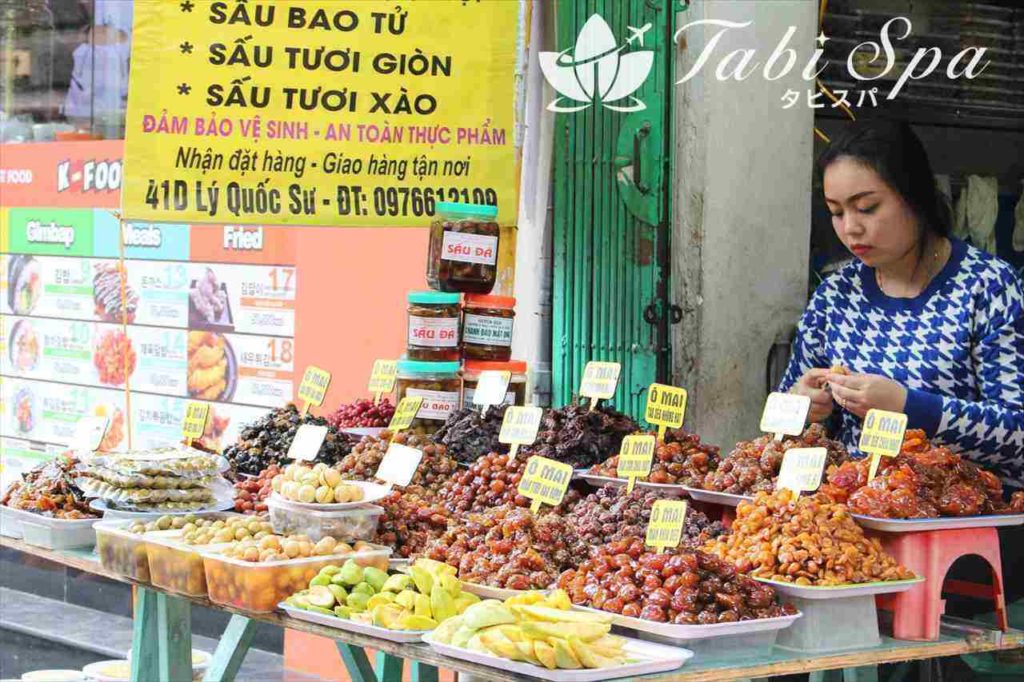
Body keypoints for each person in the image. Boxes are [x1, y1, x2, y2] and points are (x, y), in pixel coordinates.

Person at [780, 120, 1024, 487]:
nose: (850, 228)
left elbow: (1017, 433)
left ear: (915, 195)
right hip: (848, 520)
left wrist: (909, 407)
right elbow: (777, 426)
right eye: (836, 212)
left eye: (867, 207)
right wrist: (802, 406)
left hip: (960, 525)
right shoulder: (835, 295)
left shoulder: (988, 287)